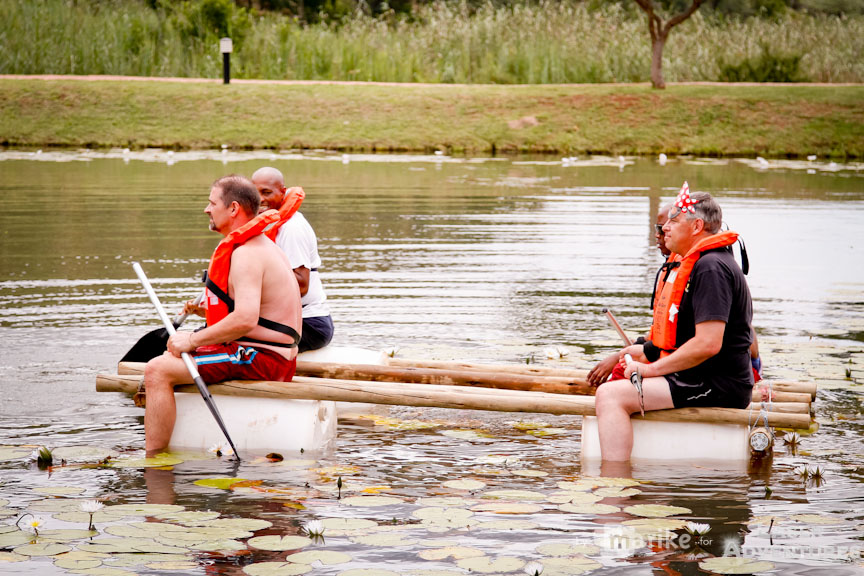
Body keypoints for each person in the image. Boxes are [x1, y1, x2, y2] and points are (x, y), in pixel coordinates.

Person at [142, 175, 302, 455]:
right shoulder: (256, 245)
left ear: (233, 209)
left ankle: (153, 462)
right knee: (169, 358)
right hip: (261, 352)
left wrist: (192, 339)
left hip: (263, 358)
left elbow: (245, 319)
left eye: (211, 202)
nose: (207, 209)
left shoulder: (248, 253)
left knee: (157, 370)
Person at [594, 185, 755, 461]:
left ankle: (615, 487)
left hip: (717, 384)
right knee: (619, 382)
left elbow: (707, 344)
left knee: (610, 396)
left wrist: (650, 371)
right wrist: (645, 352)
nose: (665, 227)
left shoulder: (711, 268)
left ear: (697, 226)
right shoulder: (701, 263)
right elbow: (683, 336)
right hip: (700, 377)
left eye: (674, 220)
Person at [587, 202, 673, 385]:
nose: (657, 235)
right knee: (620, 369)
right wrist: (639, 344)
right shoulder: (673, 267)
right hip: (664, 354)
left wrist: (628, 353)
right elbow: (665, 333)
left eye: (663, 229)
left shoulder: (701, 271)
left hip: (684, 367)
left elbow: (681, 341)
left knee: (615, 383)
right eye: (656, 228)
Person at [251, 167, 334, 353]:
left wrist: (248, 290)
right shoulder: (266, 225)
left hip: (309, 324)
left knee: (232, 335)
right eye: (255, 193)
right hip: (284, 319)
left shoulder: (291, 228)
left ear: (282, 192)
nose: (260, 199)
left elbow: (301, 286)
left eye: (266, 192)